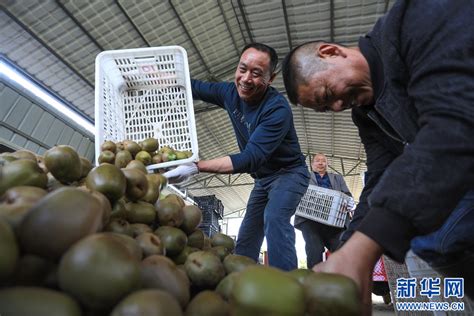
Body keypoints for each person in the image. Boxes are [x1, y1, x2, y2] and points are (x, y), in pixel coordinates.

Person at [281, 0, 474, 311]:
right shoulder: (367, 115)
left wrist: (365, 246)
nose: (336, 107)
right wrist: (347, 247)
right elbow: (380, 177)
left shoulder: (418, 20)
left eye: (328, 95)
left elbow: (455, 122)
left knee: (435, 240)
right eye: (326, 109)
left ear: (331, 53)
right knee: (425, 247)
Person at [165, 43, 310, 271]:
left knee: (275, 218)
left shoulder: (276, 109)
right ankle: (240, 280)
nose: (245, 79)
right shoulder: (230, 93)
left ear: (270, 78)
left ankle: (288, 284)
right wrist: (160, 76)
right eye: (242, 69)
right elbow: (194, 87)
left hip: (289, 175)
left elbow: (250, 158)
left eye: (256, 73)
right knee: (247, 235)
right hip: (263, 180)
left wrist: (196, 166)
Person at [294, 153, 353, 268]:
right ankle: (314, 281)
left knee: (340, 251)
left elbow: (347, 194)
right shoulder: (304, 178)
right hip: (310, 220)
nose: (320, 163)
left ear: (327, 163)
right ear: (312, 164)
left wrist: (349, 201)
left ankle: (340, 280)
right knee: (314, 251)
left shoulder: (338, 178)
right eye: (317, 161)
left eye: (323, 161)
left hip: (335, 222)